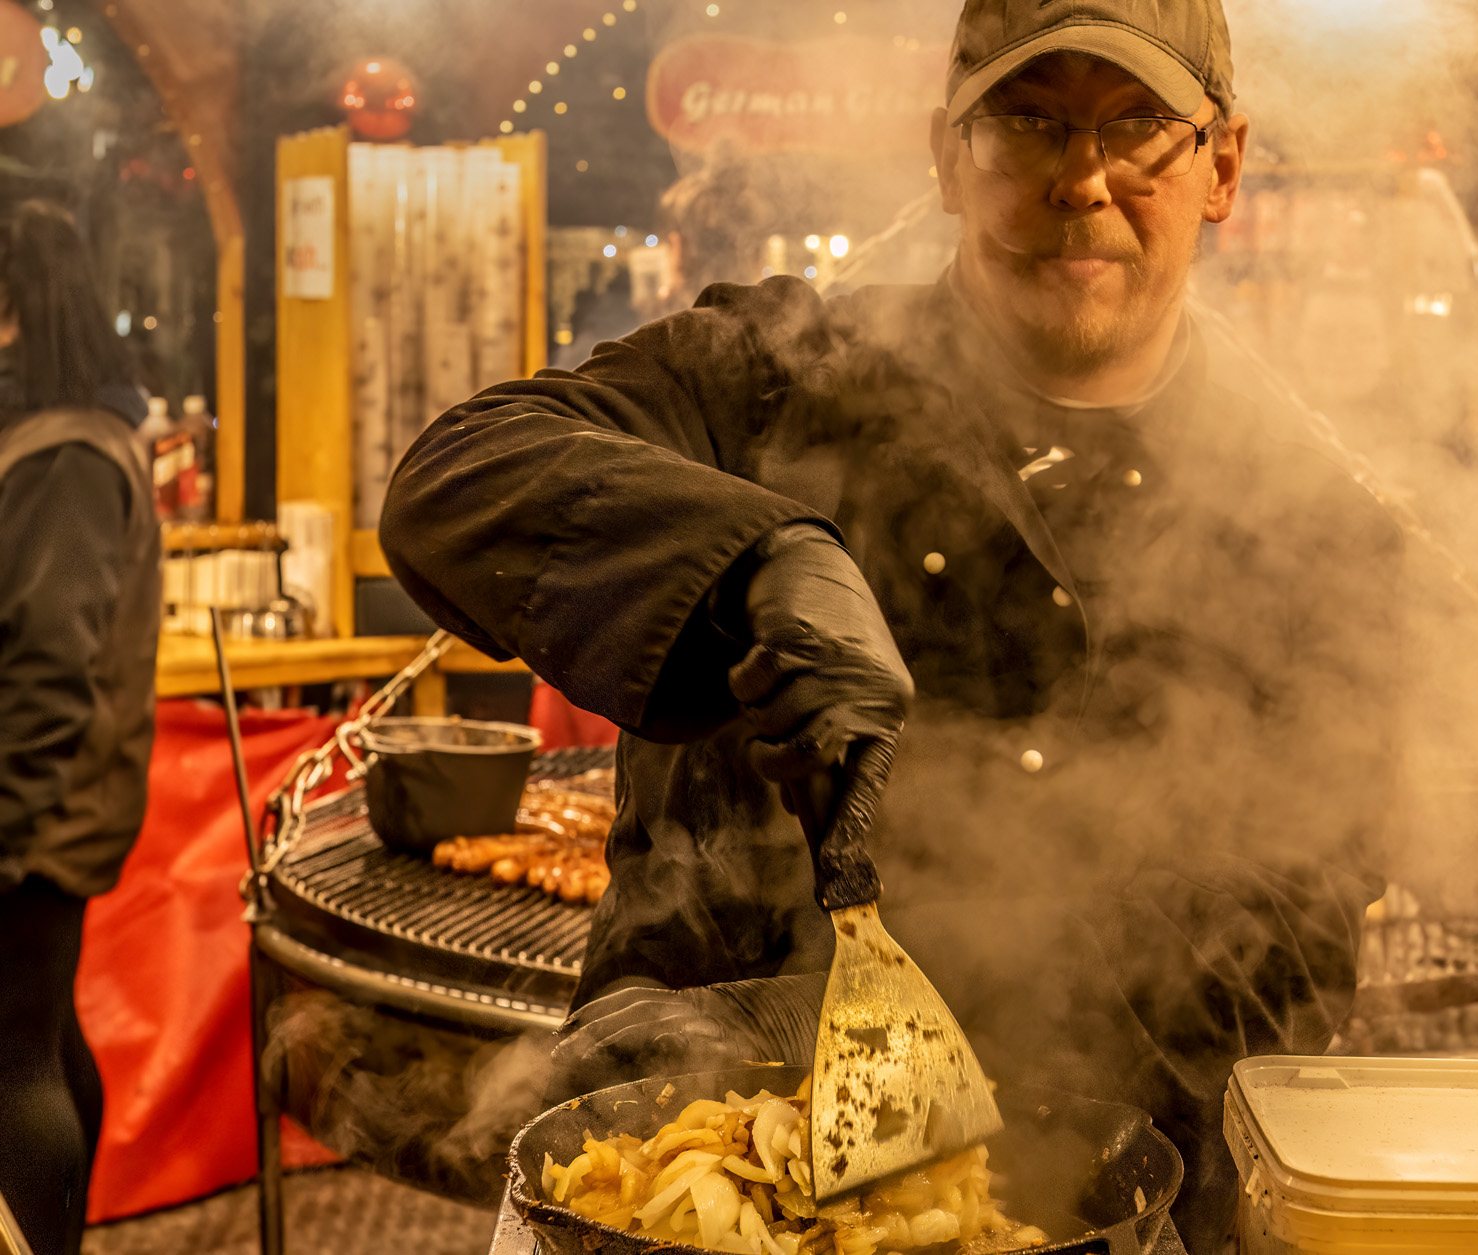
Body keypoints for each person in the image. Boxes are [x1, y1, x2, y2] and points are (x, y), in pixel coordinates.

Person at [382, 1, 1400, 1244]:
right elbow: (458, 477)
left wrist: (1025, 1113)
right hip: (679, 1171)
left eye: (1136, 127)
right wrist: (758, 552)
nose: (1080, 180)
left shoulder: (1312, 527)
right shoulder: (771, 375)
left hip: (1100, 1208)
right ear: (946, 155)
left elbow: (1300, 941)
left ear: (1221, 165)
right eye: (1026, 122)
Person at [0, 202, 161, 1255]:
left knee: (8, 1062)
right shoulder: (61, 436)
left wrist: (3, 829)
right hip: (48, 803)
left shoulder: (64, 455)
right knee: (40, 1040)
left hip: (36, 816)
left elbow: (49, 665)